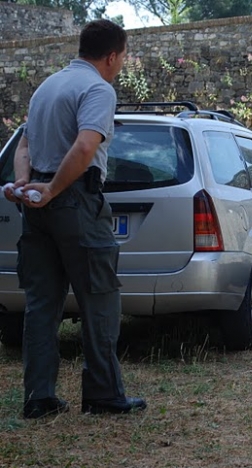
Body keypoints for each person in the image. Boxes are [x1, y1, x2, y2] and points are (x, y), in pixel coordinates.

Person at [2, 20, 146, 419]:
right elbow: (85, 147)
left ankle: (39, 397)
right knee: (99, 298)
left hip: (37, 208)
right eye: (122, 58)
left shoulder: (47, 87)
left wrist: (25, 183)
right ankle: (102, 394)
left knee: (42, 304)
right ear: (112, 56)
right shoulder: (98, 88)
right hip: (75, 201)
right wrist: (54, 190)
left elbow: (24, 145)